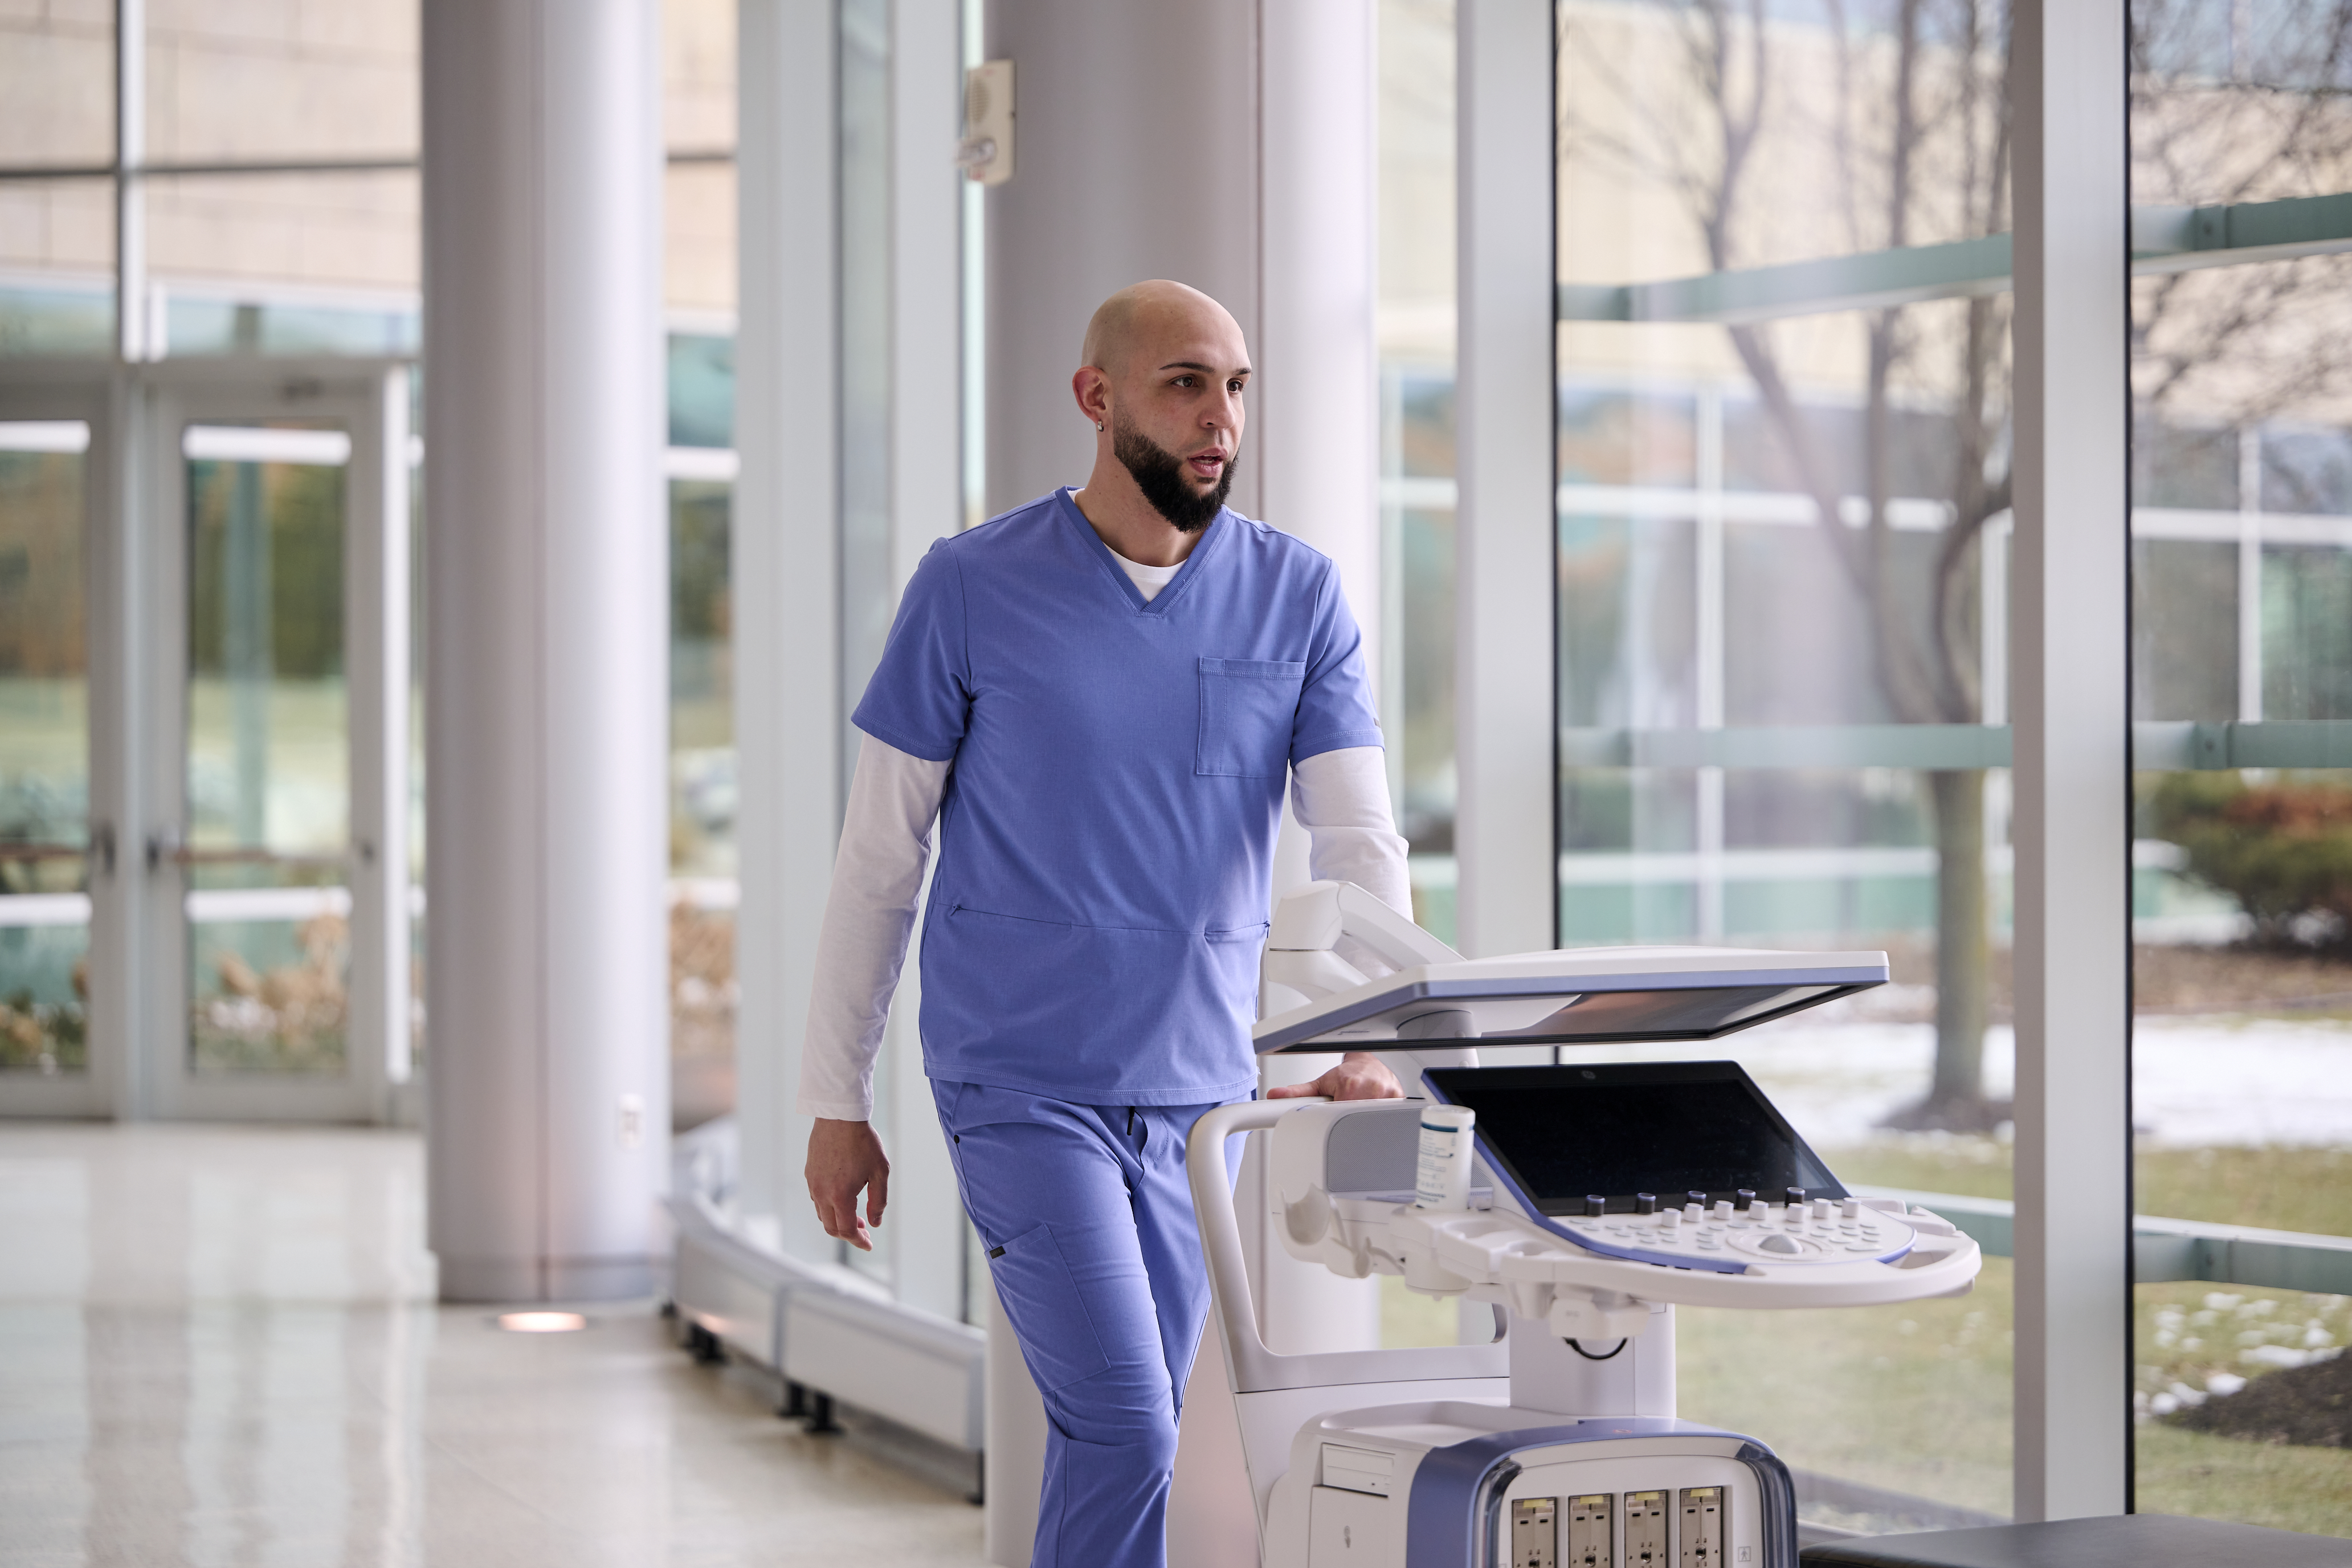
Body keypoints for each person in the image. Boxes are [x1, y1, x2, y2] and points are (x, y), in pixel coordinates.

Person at [799, 279, 1413, 1568]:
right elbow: (879, 860)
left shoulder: (1297, 595)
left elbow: (1358, 839)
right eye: (1186, 381)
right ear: (1097, 398)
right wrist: (834, 1096)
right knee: (1130, 1423)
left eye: (1237, 386)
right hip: (1019, 1080)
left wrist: (1375, 1040)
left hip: (1198, 1091)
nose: (1221, 417)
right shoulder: (968, 587)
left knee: (1111, 1437)